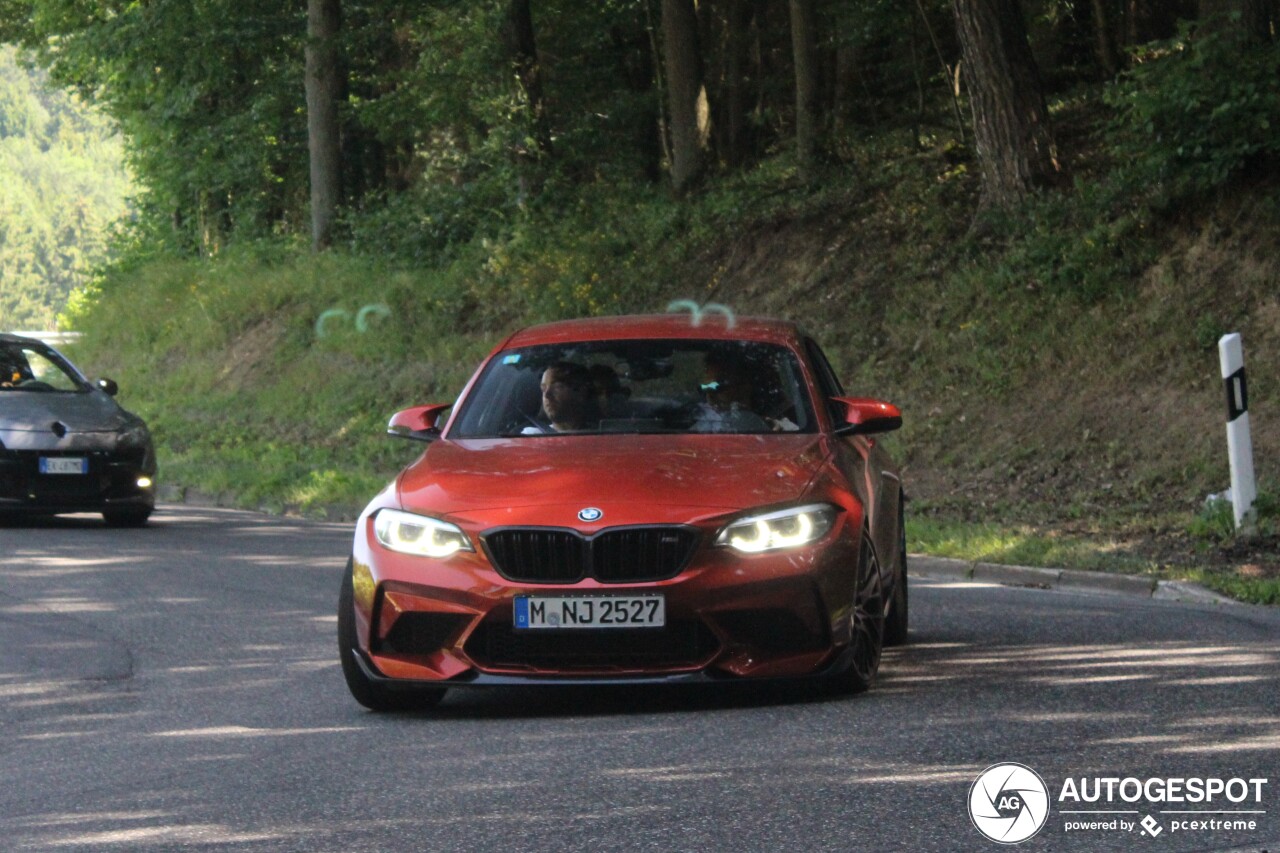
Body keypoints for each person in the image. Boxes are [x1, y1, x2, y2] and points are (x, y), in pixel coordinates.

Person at [692, 355, 770, 433]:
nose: (709, 396)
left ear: (744, 386)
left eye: (719, 386)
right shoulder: (703, 419)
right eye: (705, 387)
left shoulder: (749, 424)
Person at [527, 361, 597, 433]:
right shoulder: (529, 436)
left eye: (556, 387)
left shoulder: (600, 434)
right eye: (543, 389)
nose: (546, 395)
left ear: (581, 393)